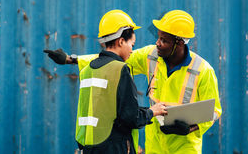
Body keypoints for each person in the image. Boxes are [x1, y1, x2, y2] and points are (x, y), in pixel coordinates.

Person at [44, 10, 222, 154]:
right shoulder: (151, 55)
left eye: (164, 40)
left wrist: (191, 128)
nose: (158, 43)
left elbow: (214, 111)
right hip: (155, 145)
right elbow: (110, 61)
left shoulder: (203, 70)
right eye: (158, 37)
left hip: (185, 148)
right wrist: (71, 59)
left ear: (179, 43)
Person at [45, 10, 167, 154]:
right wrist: (152, 112)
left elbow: (110, 110)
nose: (132, 51)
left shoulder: (87, 70)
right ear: (121, 41)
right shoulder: (120, 69)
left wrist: (70, 59)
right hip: (115, 148)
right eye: (132, 45)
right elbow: (130, 117)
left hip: (89, 147)